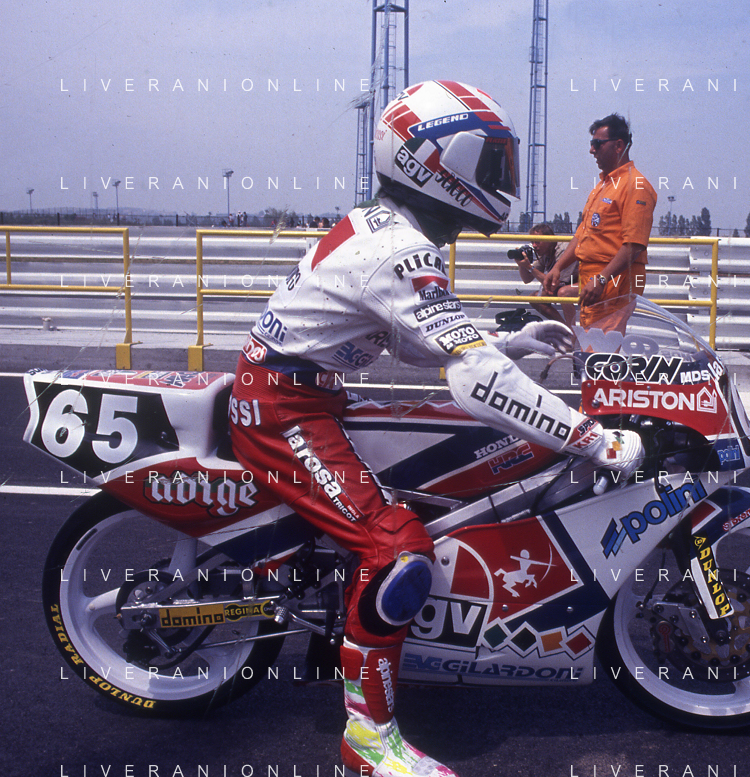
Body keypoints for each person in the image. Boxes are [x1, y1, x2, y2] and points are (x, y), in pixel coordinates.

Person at [227, 80, 644, 776]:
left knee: (448, 475)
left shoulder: (383, 227)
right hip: (283, 408)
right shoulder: (400, 250)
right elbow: (473, 380)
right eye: (490, 162)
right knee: (397, 549)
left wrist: (506, 342)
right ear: (435, 162)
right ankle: (368, 737)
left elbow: (419, 341)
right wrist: (591, 438)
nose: (500, 178)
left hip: (304, 394)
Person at [542, 114, 657, 331]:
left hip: (614, 280)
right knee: (592, 340)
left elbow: (634, 244)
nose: (592, 150)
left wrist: (602, 279)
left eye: (597, 144)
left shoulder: (635, 186)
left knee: (602, 344)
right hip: (594, 278)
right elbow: (583, 235)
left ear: (619, 145)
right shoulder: (604, 185)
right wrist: (558, 267)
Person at [509, 222, 577, 325]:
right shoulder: (545, 252)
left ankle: (572, 329)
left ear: (549, 240)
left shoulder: (563, 250)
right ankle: (562, 326)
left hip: (588, 282)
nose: (534, 246)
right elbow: (527, 279)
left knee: (563, 293)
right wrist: (522, 264)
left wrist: (529, 267)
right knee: (535, 299)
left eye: (537, 242)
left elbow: (554, 284)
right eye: (532, 242)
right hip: (568, 283)